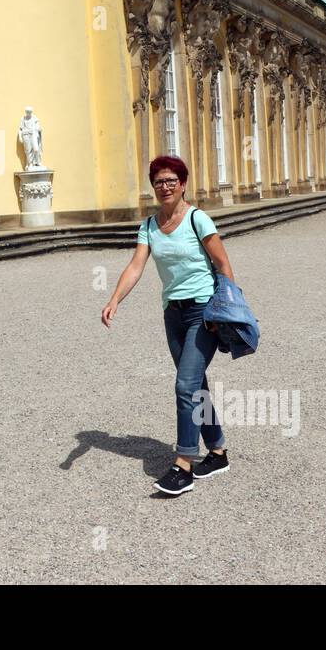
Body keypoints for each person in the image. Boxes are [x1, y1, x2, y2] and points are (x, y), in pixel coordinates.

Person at [101, 155, 237, 497]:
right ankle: (217, 451)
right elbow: (136, 266)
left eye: (170, 181)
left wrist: (227, 310)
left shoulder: (197, 219)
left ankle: (184, 465)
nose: (164, 187)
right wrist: (115, 298)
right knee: (195, 384)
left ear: (183, 184)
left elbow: (223, 264)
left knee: (185, 384)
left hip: (203, 312)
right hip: (172, 315)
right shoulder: (149, 226)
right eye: (158, 182)